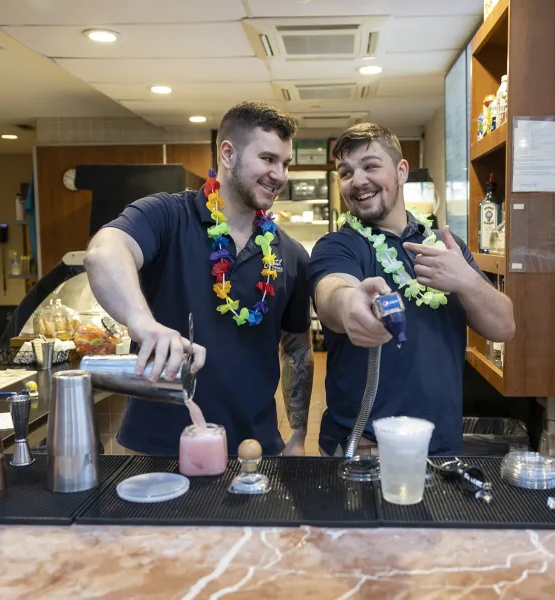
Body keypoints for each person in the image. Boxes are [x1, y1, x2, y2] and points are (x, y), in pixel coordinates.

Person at [83, 101, 313, 456]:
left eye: (285, 164)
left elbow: (297, 348)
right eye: (268, 159)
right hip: (158, 449)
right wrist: (143, 323)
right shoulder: (168, 215)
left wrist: (297, 435)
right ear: (228, 154)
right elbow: (103, 251)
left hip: (254, 449)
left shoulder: (291, 253)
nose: (280, 175)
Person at [308, 123, 515, 456]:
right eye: (345, 172)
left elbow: (504, 326)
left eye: (371, 166)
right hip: (366, 446)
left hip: (442, 445)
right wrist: (352, 306)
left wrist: (466, 279)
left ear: (401, 171)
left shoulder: (446, 246)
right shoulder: (338, 245)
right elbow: (332, 292)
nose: (358, 180)